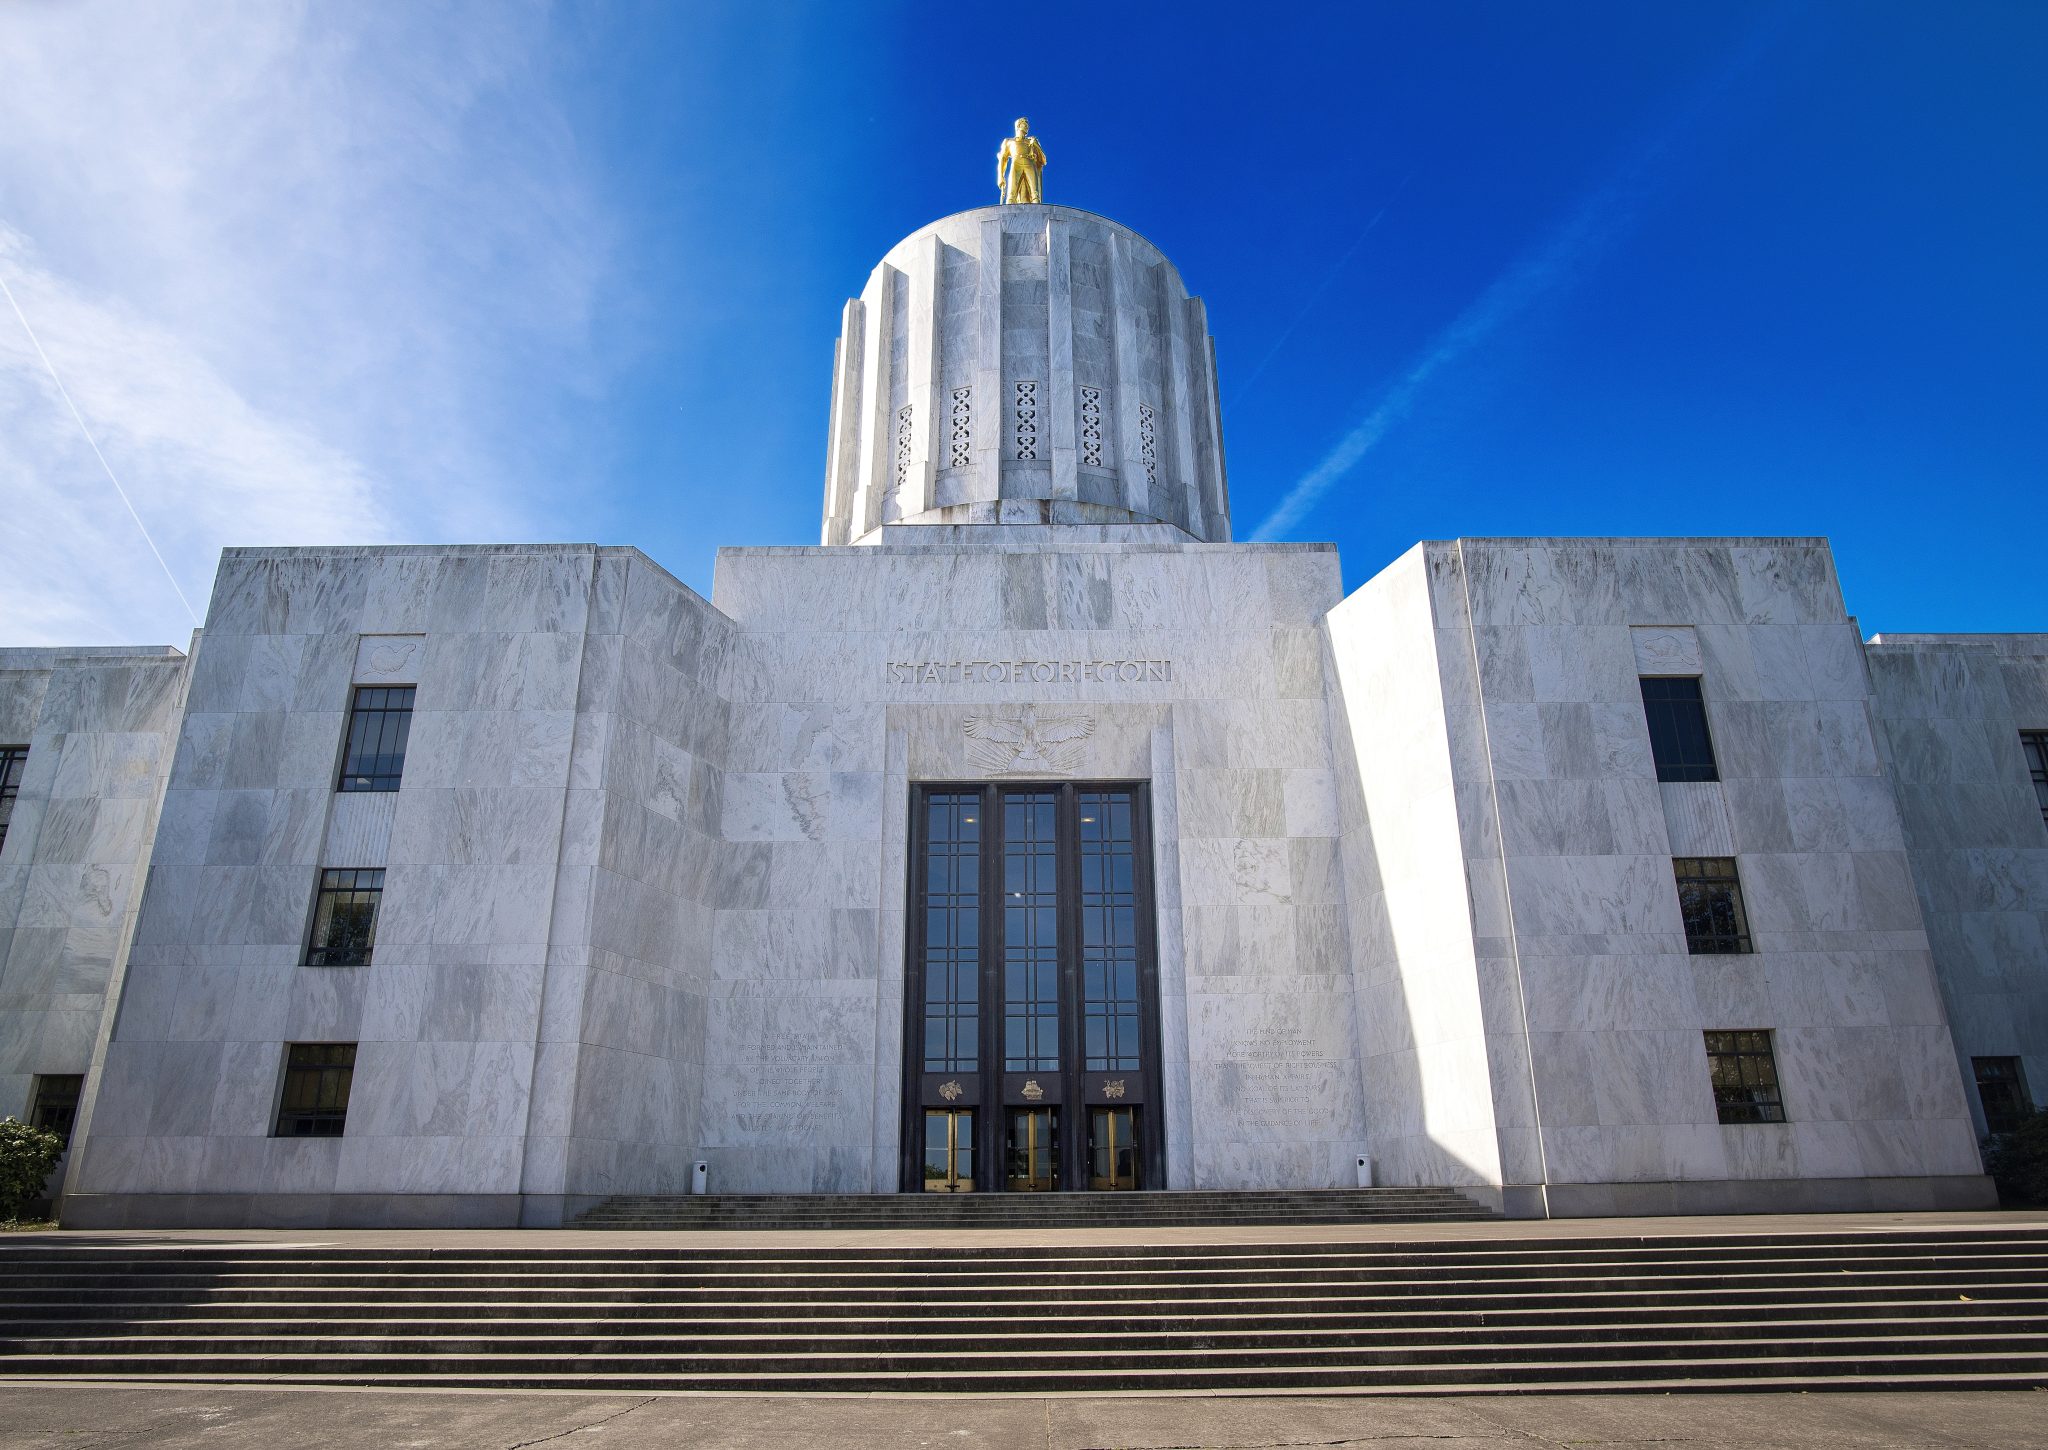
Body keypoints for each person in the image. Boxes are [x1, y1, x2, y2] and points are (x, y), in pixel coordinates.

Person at [996, 117, 1047, 204]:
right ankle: (1009, 214)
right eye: (1025, 124)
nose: (1027, 127)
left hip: (1030, 163)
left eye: (1028, 125)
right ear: (1019, 125)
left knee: (1035, 194)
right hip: (1016, 163)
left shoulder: (1032, 141)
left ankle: (1036, 213)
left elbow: (1043, 160)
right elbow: (1003, 158)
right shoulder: (1009, 141)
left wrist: (1036, 145)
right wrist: (1000, 176)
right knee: (1011, 193)